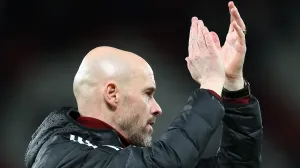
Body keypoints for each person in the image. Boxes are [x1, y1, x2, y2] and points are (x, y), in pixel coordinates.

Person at [25, 1, 262, 168]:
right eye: (148, 94)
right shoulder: (62, 157)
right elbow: (165, 163)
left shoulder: (117, 157)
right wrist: (210, 84)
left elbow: (237, 164)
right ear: (112, 94)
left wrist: (232, 84)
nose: (157, 108)